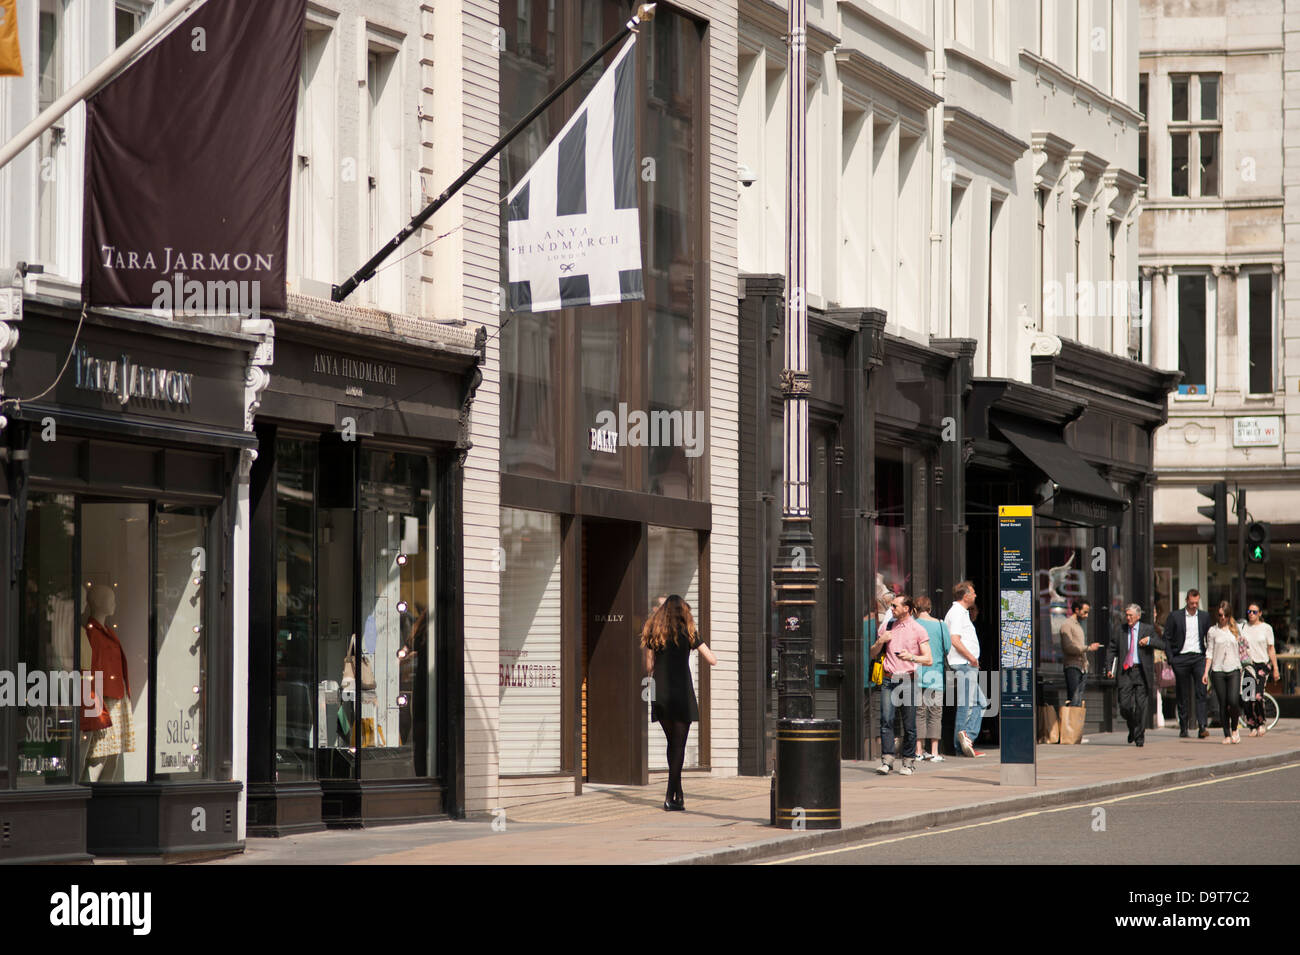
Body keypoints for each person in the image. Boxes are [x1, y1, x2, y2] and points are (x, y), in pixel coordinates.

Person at [641, 595, 717, 811]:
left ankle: (678, 794)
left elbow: (648, 667)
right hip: (682, 692)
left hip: (661, 692)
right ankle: (669, 795)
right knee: (679, 744)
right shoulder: (689, 632)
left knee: (672, 743)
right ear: (683, 611)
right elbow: (712, 659)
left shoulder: (652, 632)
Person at [869, 593, 931, 775]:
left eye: (895, 606)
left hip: (908, 680)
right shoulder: (888, 626)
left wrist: (910, 656)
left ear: (907, 609)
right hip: (888, 679)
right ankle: (887, 760)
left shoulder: (918, 629)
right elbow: (873, 653)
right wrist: (881, 641)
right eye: (891, 606)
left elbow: (928, 659)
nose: (891, 608)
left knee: (909, 724)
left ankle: (909, 761)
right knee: (886, 720)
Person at [1105, 603, 1162, 746]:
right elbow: (1111, 649)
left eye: (1130, 615)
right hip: (1125, 671)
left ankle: (1139, 737)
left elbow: (1162, 644)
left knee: (1141, 706)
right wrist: (1109, 668)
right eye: (1127, 615)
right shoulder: (1120, 630)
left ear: (1138, 616)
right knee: (1124, 706)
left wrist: (1149, 641)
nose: (1128, 617)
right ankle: (1133, 727)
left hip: (1142, 671)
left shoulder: (1148, 629)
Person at [1161, 588, 1211, 738]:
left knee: (1201, 691)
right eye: (1191, 603)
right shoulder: (1175, 616)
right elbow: (1166, 637)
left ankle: (1202, 726)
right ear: (1186, 601)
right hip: (1181, 658)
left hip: (1198, 658)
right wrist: (1171, 659)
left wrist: (1208, 657)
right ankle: (1184, 727)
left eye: (1196, 603)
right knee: (1182, 694)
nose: (1194, 605)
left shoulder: (1204, 616)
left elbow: (1209, 637)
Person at [945, 580, 986, 757]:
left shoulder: (961, 613)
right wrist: (971, 658)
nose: (975, 595)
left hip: (967, 664)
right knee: (967, 704)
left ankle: (965, 739)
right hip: (964, 664)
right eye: (973, 592)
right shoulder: (957, 613)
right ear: (965, 595)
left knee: (980, 703)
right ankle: (962, 743)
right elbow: (954, 639)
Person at [912, 596, 949, 762]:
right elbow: (947, 648)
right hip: (936, 675)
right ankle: (934, 751)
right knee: (935, 713)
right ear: (930, 608)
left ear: (914, 609)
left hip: (916, 674)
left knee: (919, 713)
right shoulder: (941, 625)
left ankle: (918, 750)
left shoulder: (912, 625)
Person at [1202, 602, 1244, 744]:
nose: (1223, 618)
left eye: (1226, 615)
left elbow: (1244, 647)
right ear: (1217, 615)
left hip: (1234, 668)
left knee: (1233, 701)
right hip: (1218, 669)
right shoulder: (1212, 631)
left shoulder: (1236, 629)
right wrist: (1205, 673)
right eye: (1220, 615)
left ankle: (1234, 729)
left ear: (1229, 615)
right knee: (1223, 702)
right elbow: (1209, 652)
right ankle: (1226, 734)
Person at [1240, 602, 1280, 736]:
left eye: (1254, 612)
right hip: (1247, 665)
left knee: (1258, 696)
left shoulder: (1266, 628)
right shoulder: (1243, 627)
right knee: (1247, 697)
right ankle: (1251, 725)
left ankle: (1261, 723)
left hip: (1262, 664)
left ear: (1260, 613)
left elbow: (1271, 648)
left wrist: (1275, 669)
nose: (1251, 614)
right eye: (1249, 611)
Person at [1060, 600, 1102, 707]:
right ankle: (1071, 723)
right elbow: (1068, 648)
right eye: (1085, 612)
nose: (1087, 615)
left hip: (1082, 666)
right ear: (1077, 610)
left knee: (1078, 700)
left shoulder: (1078, 625)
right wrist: (1088, 648)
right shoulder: (1067, 625)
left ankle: (1075, 723)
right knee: (1074, 700)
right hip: (1073, 666)